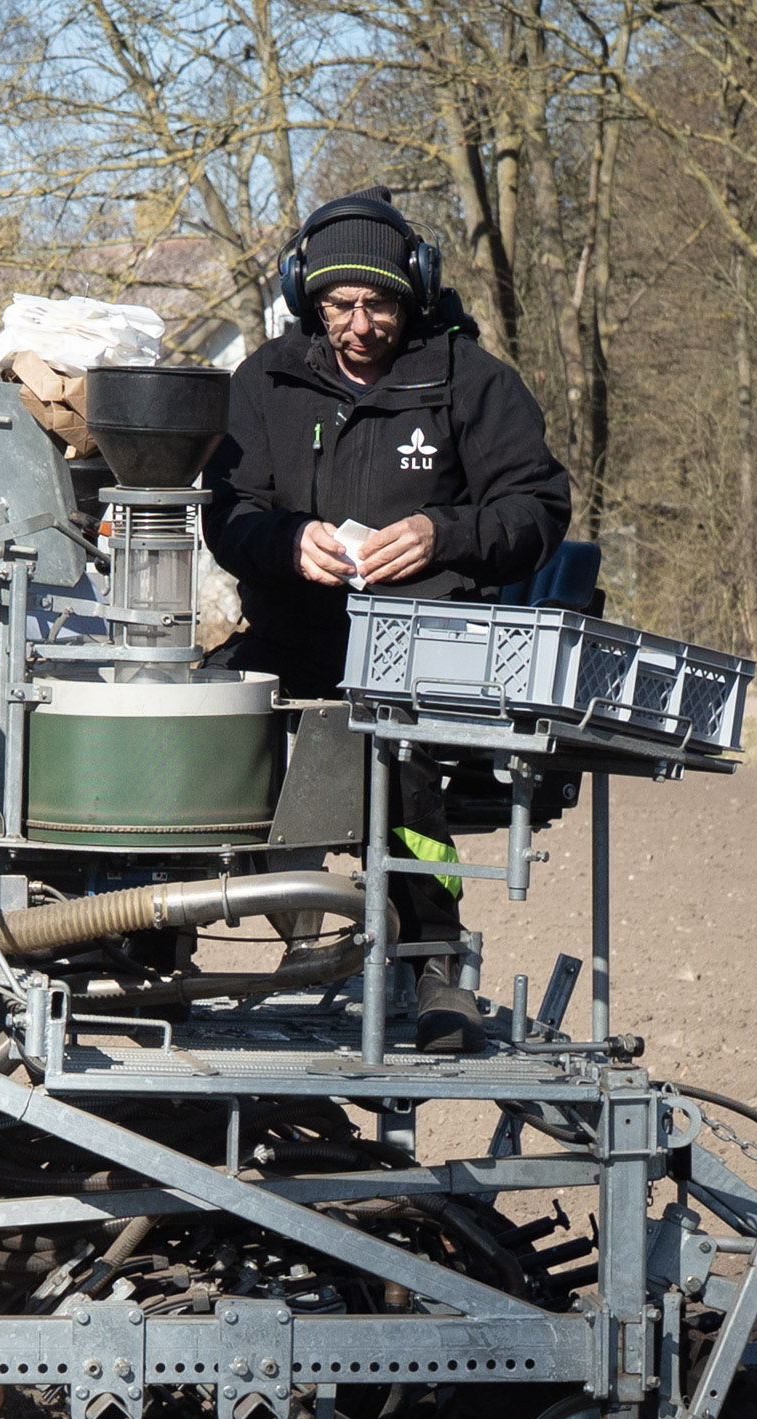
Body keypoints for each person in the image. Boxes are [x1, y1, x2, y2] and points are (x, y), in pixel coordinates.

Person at [202, 189, 571, 1053]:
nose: (361, 324)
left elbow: (539, 507)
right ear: (307, 298)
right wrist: (286, 543)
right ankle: (175, 934)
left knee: (390, 763)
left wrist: (446, 533)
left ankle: (434, 961)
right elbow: (227, 510)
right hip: (294, 637)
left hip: (424, 648)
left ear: (416, 293)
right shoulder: (265, 381)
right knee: (200, 715)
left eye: (380, 305)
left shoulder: (471, 379)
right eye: (340, 305)